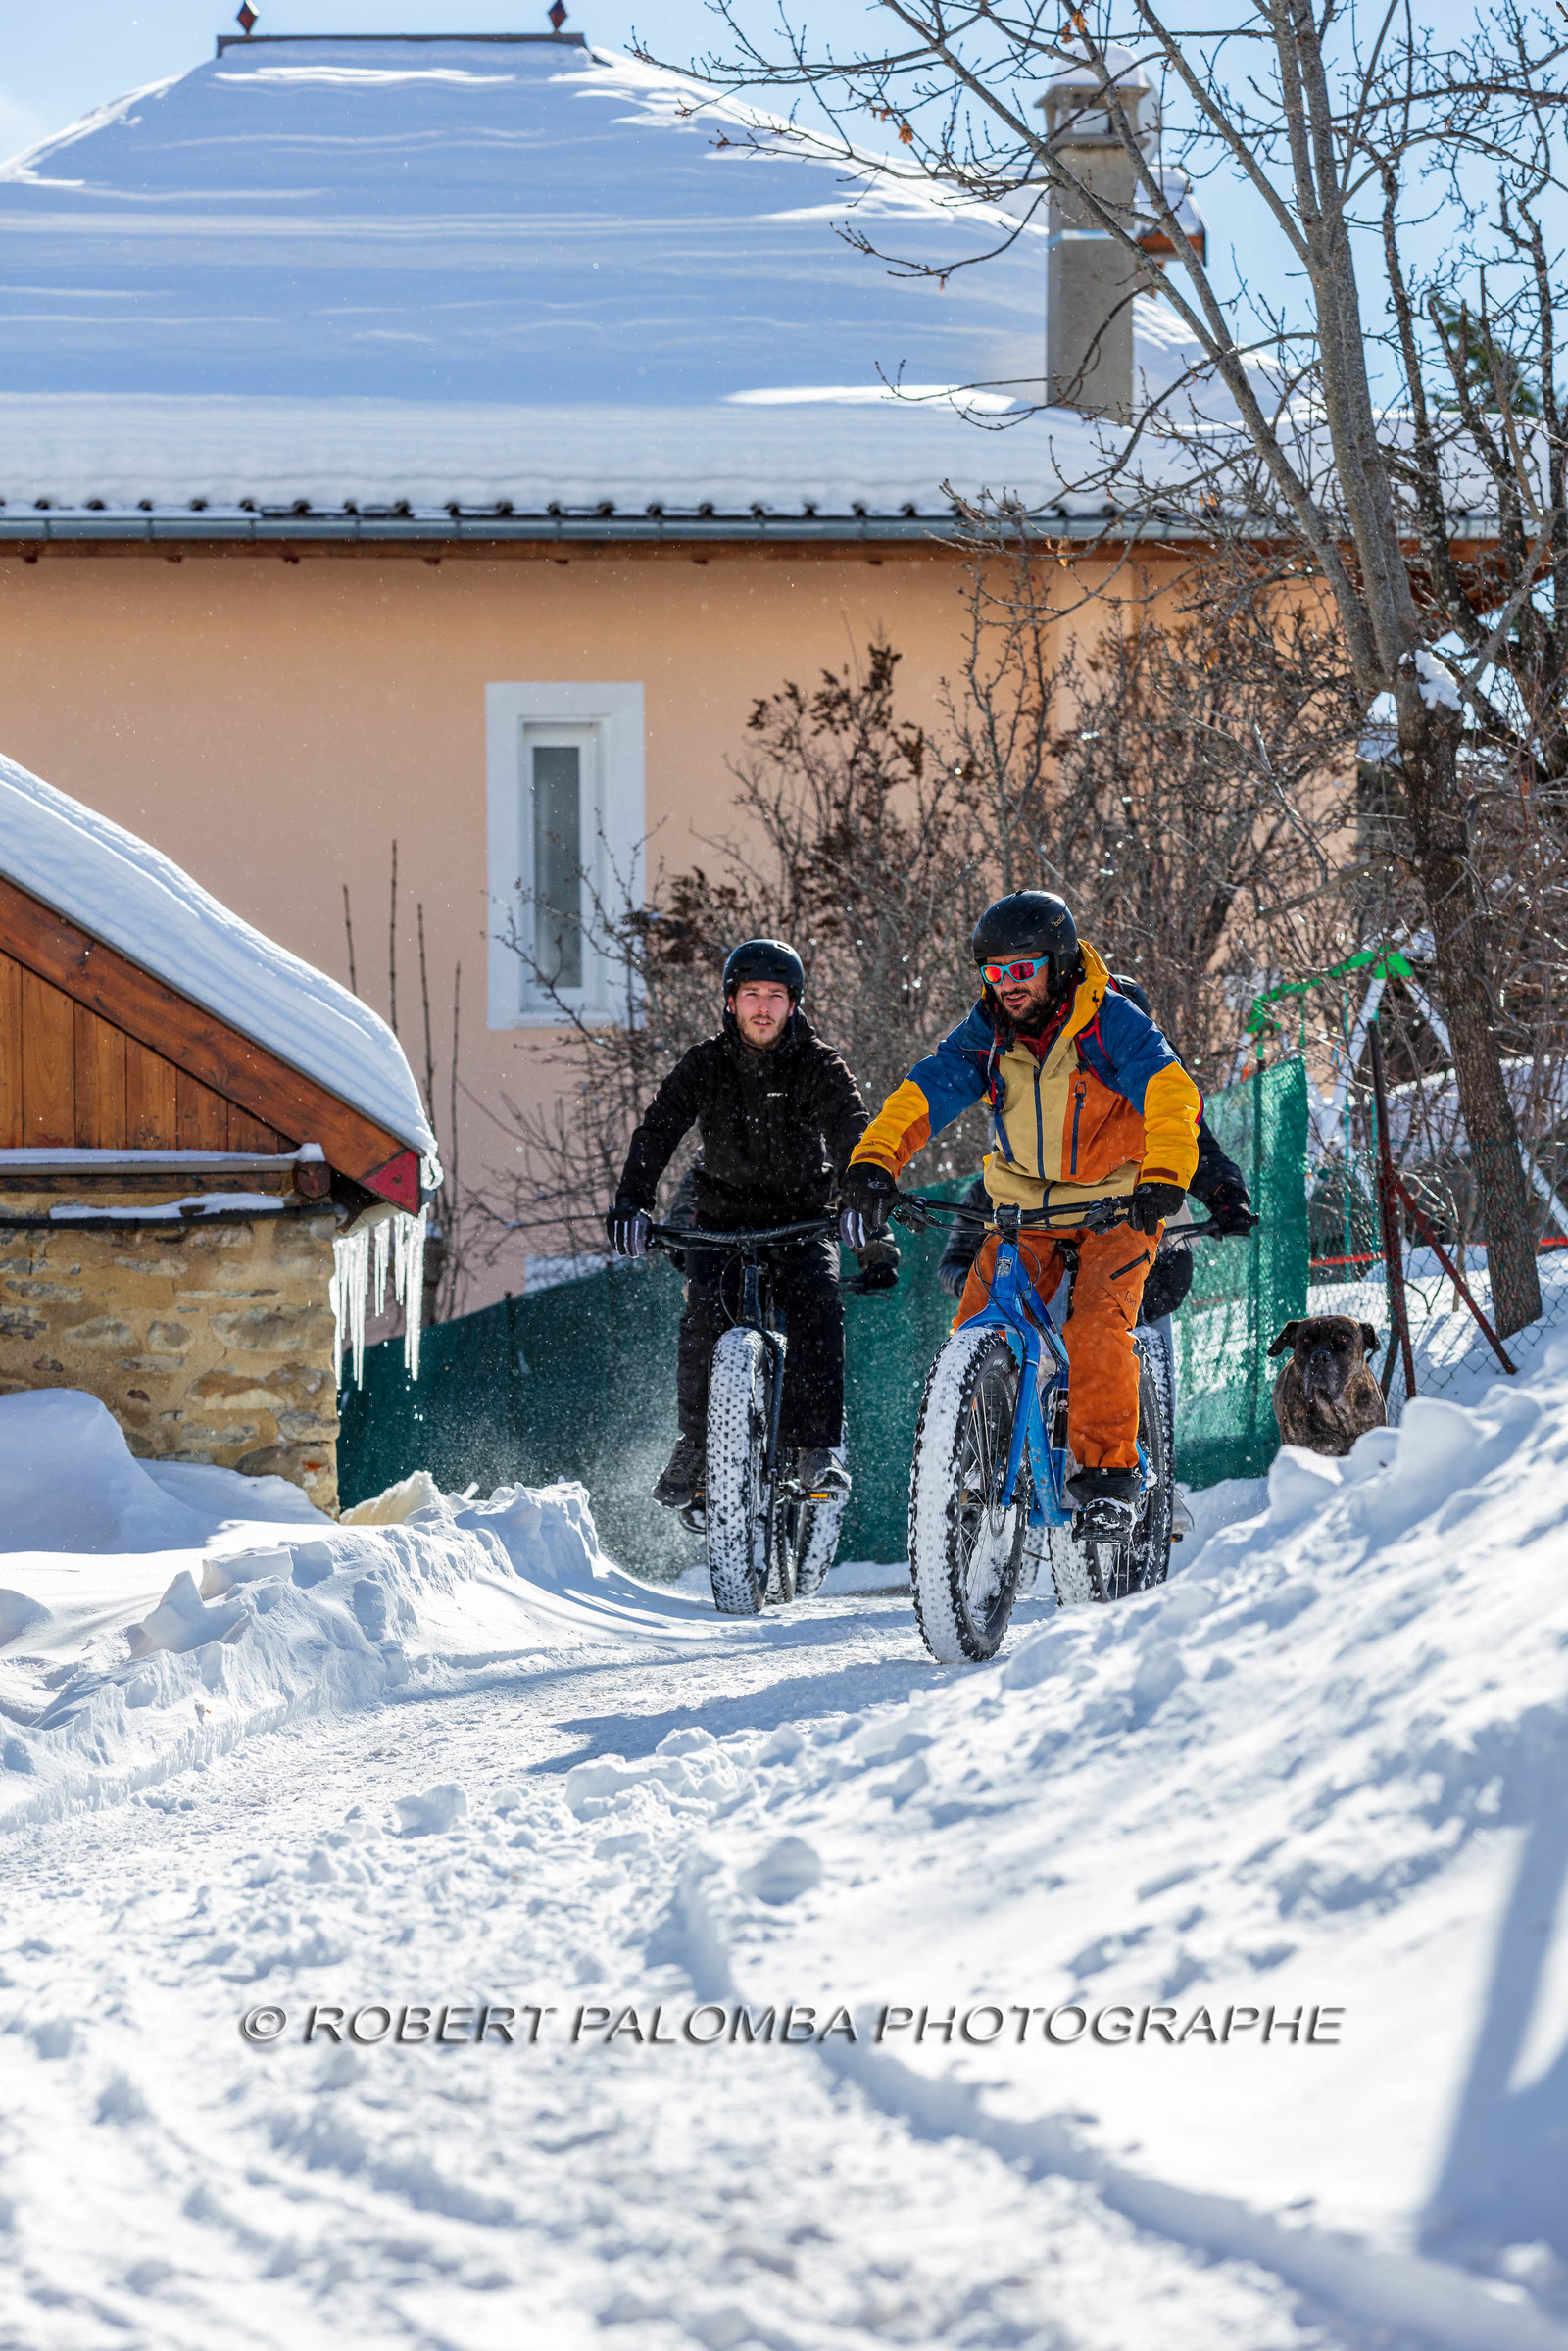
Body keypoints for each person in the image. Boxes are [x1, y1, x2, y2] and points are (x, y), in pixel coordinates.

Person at [839, 893, 1202, 1540]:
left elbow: (1170, 1091)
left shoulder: (1108, 1021)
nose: (1008, 985)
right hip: (1029, 1207)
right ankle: (982, 1447)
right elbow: (925, 1088)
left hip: (1118, 1204)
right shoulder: (988, 1031)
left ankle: (1108, 1481)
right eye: (995, 971)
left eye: (1023, 969)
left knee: (1095, 1326)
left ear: (1057, 963)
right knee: (981, 1315)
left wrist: (1166, 1175)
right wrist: (874, 1162)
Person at [604, 939, 877, 1513]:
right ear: (730, 1002)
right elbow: (658, 1131)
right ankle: (696, 1446)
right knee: (702, 1321)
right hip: (722, 1221)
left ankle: (814, 1449)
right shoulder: (704, 1064)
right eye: (750, 993)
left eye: (775, 996)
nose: (762, 1006)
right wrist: (632, 1202)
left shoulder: (820, 1064)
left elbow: (854, 1129)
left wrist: (858, 1197)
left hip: (802, 1221)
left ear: (793, 1004)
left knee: (819, 1311)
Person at [935, 973, 1256, 1320]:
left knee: (1133, 1313)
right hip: (1048, 1225)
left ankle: (1138, 1357)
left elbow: (1193, 1141)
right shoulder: (1057, 1086)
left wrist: (1225, 1194)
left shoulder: (1153, 1077)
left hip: (1136, 1222)